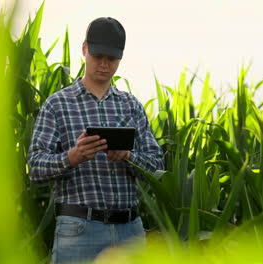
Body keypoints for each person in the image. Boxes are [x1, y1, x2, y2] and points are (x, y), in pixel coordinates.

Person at [28, 17, 164, 264]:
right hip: (78, 231)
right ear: (84, 50)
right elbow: (35, 167)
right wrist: (72, 157)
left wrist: (129, 157)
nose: (104, 64)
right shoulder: (57, 105)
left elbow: (157, 166)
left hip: (129, 232)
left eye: (111, 59)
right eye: (98, 56)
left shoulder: (131, 106)